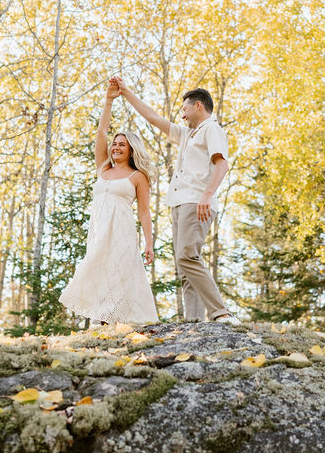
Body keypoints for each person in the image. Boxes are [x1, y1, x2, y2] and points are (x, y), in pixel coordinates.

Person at [110, 77, 241, 324]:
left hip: (197, 201)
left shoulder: (211, 129)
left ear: (198, 106)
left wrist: (207, 195)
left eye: (185, 109)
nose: (182, 116)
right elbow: (154, 119)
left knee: (187, 257)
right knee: (185, 267)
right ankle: (194, 322)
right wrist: (126, 92)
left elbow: (222, 164)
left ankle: (221, 313)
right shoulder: (189, 134)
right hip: (181, 203)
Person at [59, 81, 158, 325]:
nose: (115, 147)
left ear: (131, 150)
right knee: (97, 269)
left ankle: (120, 320)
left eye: (121, 144)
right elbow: (101, 134)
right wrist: (109, 101)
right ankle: (100, 318)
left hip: (122, 232)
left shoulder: (138, 177)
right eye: (115, 144)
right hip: (98, 230)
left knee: (121, 274)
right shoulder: (103, 168)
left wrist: (148, 243)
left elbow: (144, 212)